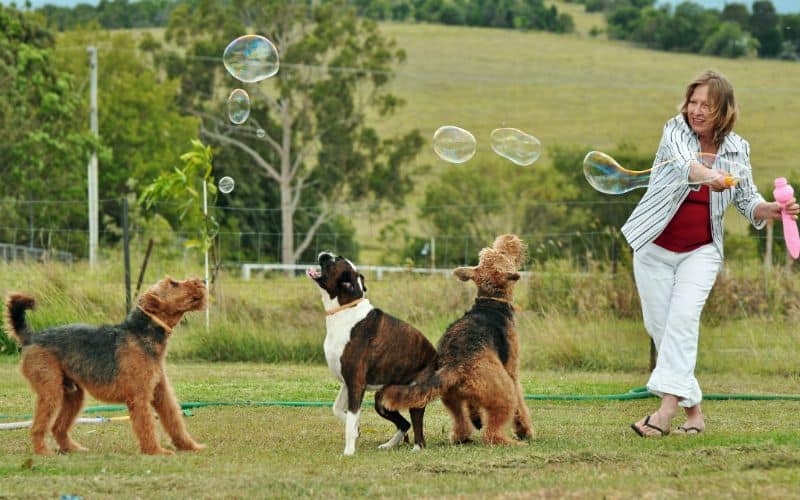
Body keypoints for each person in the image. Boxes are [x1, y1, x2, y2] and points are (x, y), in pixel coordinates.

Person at [621, 69, 799, 437]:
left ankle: (665, 413)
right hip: (653, 247)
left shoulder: (738, 148)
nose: (697, 111)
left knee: (682, 322)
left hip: (700, 251)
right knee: (661, 330)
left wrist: (771, 210)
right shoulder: (675, 129)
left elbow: (748, 201)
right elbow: (687, 163)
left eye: (707, 105)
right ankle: (695, 413)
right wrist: (709, 175)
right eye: (693, 102)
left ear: (725, 111)